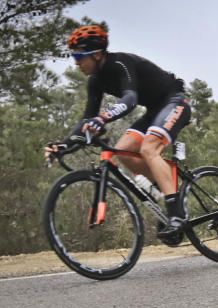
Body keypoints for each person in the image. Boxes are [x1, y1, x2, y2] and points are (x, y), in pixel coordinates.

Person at [46, 25, 192, 240]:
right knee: (122, 150)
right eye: (73, 56)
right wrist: (64, 145)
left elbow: (130, 99)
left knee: (148, 148)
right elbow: (86, 118)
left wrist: (103, 118)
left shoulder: (120, 63)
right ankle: (167, 190)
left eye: (79, 56)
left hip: (174, 100)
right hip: (155, 110)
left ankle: (176, 213)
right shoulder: (95, 81)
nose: (76, 62)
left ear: (96, 54)